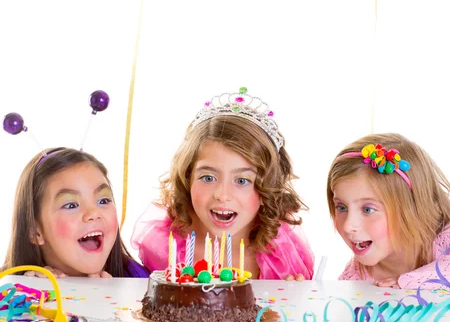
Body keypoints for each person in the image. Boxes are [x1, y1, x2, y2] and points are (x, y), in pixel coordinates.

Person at [132, 88, 314, 280]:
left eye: (242, 181)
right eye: (208, 178)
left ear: (267, 189)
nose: (222, 194)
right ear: (188, 178)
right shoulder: (166, 248)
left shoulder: (282, 256)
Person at [327, 133, 450, 288]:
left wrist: (409, 283)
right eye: (341, 207)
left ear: (412, 209)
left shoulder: (445, 238)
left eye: (368, 209)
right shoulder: (354, 279)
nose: (347, 225)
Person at [3, 147, 149, 278]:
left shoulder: (141, 282)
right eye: (71, 205)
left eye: (103, 201)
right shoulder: (7, 290)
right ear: (35, 231)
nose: (93, 213)